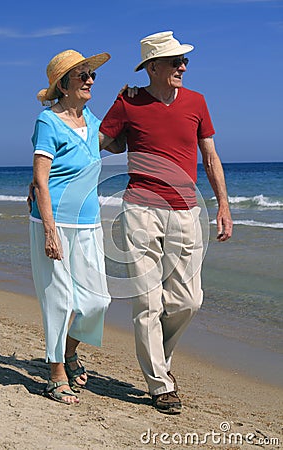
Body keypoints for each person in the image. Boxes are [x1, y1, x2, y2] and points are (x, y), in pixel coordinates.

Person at [99, 31, 233, 414]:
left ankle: (161, 358)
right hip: (141, 209)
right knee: (146, 301)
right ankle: (159, 384)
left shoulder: (197, 102)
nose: (183, 67)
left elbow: (210, 157)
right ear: (153, 67)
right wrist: (48, 170)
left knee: (189, 300)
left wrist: (223, 206)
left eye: (184, 61)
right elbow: (100, 144)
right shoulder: (128, 101)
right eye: (175, 62)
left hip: (187, 211)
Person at [29, 49, 123, 405]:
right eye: (81, 75)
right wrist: (50, 230)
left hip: (88, 223)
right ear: (63, 84)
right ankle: (55, 373)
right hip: (51, 222)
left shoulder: (93, 121)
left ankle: (68, 351)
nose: (89, 80)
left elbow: (118, 143)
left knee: (98, 300)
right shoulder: (48, 121)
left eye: (91, 75)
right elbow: (41, 178)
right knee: (58, 299)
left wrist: (124, 103)